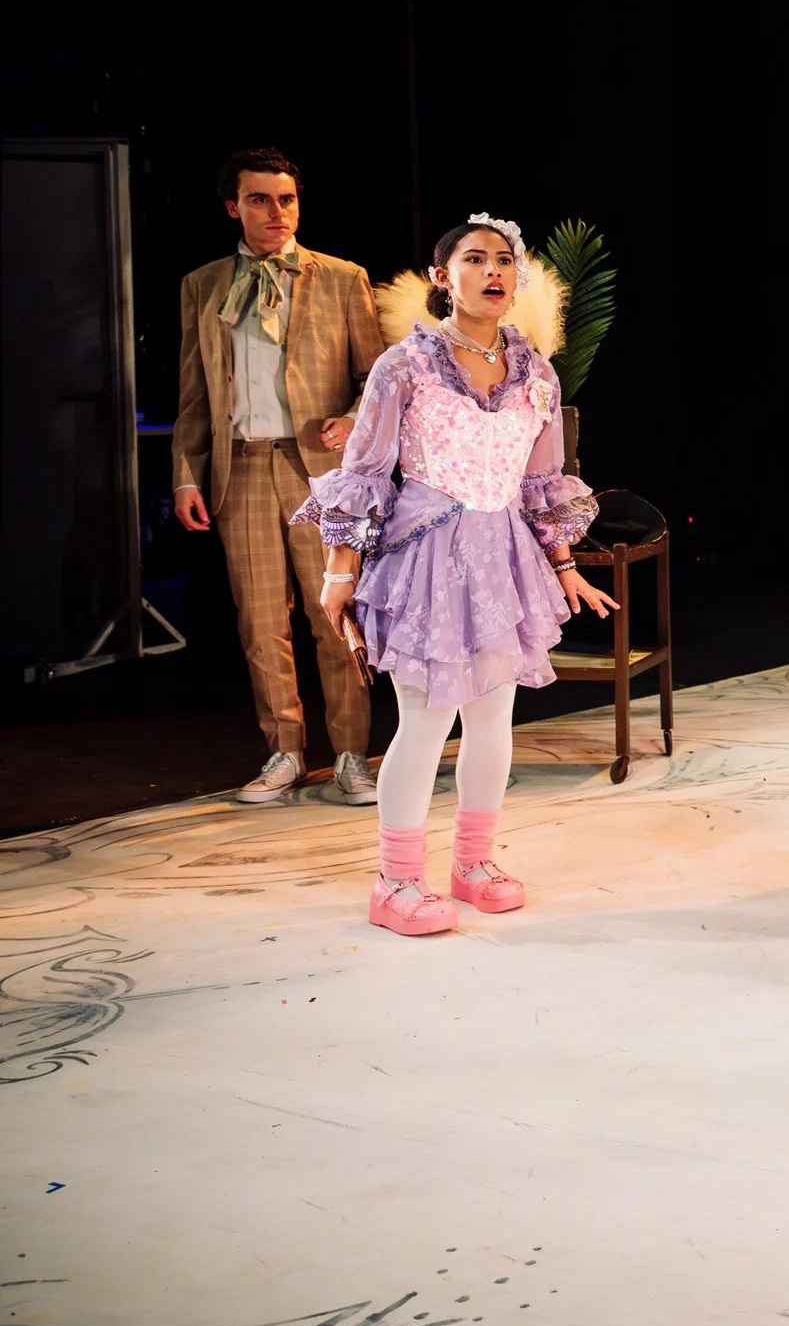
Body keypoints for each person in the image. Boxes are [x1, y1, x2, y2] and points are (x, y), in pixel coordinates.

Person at [296, 216, 609, 936]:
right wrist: (339, 572)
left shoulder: (536, 372)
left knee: (493, 720)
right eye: (475, 258)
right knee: (425, 721)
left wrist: (563, 564)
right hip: (426, 556)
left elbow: (541, 480)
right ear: (443, 276)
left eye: (504, 259)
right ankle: (396, 880)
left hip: (501, 557)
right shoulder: (404, 366)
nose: (493, 270)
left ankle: (473, 863)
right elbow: (365, 471)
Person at [173, 149, 387, 806]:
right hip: (239, 468)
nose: (276, 212)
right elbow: (194, 394)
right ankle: (285, 751)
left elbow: (379, 379)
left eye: (286, 199)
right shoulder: (204, 284)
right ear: (233, 206)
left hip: (317, 471)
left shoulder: (342, 278)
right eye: (260, 199)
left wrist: (352, 419)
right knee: (261, 622)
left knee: (335, 614)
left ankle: (351, 754)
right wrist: (185, 475)